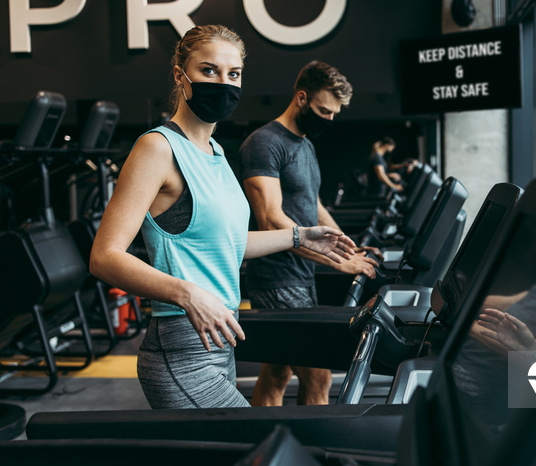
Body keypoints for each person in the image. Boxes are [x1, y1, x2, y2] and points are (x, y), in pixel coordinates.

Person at [89, 25, 357, 409]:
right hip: (181, 348)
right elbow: (104, 256)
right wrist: (187, 292)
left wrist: (301, 236)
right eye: (209, 70)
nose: (224, 82)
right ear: (181, 76)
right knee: (258, 447)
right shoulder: (157, 148)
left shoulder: (215, 151)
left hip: (220, 339)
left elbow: (227, 244)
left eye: (234, 74)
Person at [240, 60, 381, 407]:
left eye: (334, 114)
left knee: (277, 371)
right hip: (276, 276)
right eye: (323, 110)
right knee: (318, 373)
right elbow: (271, 220)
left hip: (299, 274)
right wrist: (337, 262)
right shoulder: (265, 144)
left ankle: (260, 444)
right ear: (301, 98)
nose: (329, 120)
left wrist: (347, 246)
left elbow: (312, 203)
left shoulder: (305, 145)